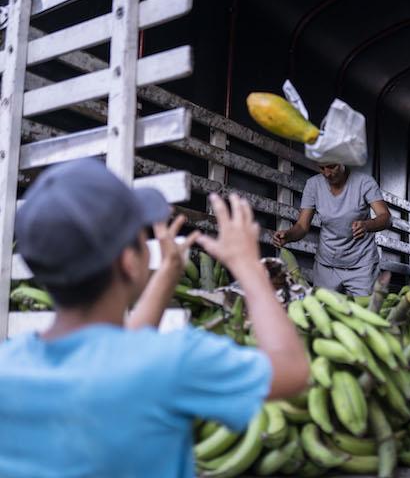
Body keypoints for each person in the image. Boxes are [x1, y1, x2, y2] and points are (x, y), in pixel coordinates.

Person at [0, 158, 309, 477]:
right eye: (142, 236)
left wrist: (166, 277)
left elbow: (112, 359)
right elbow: (292, 370)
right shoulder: (174, 361)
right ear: (129, 262)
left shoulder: (7, 365)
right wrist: (248, 267)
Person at [272, 162, 391, 296]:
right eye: (322, 168)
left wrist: (367, 225)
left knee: (366, 312)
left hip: (362, 265)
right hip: (326, 265)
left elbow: (386, 218)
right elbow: (302, 226)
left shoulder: (364, 182)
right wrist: (288, 235)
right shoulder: (313, 185)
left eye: (332, 167)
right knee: (322, 310)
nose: (327, 173)